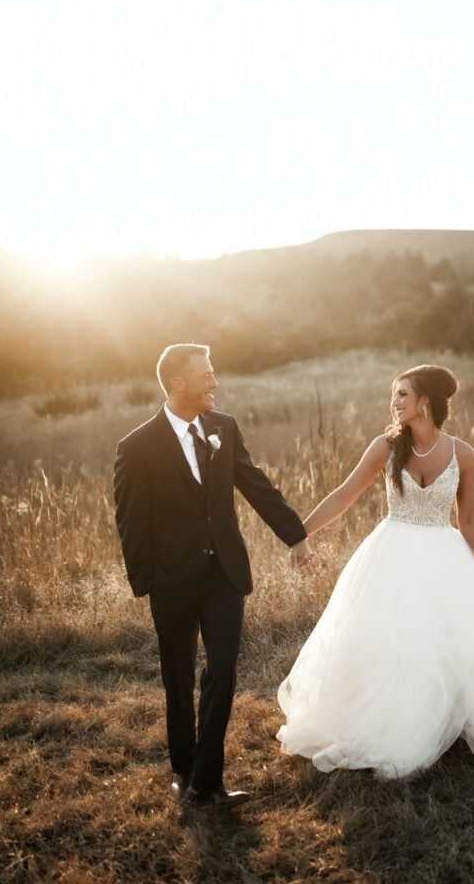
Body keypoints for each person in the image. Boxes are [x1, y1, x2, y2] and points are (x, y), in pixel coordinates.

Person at [277, 364, 474, 778]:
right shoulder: (386, 448)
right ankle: (388, 716)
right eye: (394, 394)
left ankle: (439, 715)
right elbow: (343, 496)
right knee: (385, 637)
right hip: (391, 553)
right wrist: (298, 535)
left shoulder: (463, 454)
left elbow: (469, 521)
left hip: (443, 556)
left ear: (425, 401)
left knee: (439, 638)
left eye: (402, 394)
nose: (394, 402)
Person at [113, 343, 314, 806]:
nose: (215, 382)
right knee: (178, 677)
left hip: (224, 572)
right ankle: (183, 771)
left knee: (222, 669)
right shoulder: (136, 447)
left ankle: (208, 780)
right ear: (178, 384)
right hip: (172, 580)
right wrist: (149, 582)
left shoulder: (225, 427)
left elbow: (256, 484)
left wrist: (296, 536)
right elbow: (131, 523)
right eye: (206, 375)